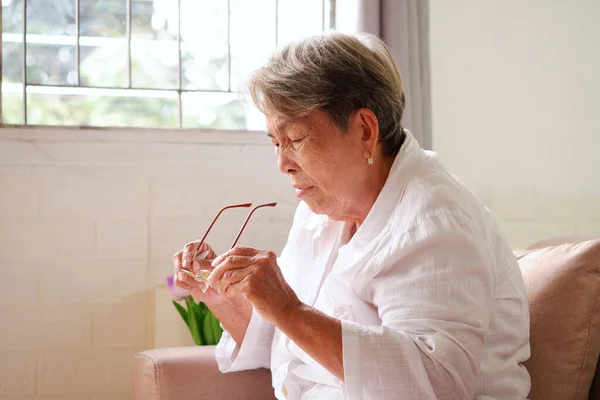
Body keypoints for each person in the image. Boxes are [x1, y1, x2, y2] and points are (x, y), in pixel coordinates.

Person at [173, 31, 530, 399]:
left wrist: (286, 307)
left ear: (363, 130)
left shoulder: (435, 224)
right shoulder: (321, 212)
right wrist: (224, 298)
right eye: (275, 143)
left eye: (295, 139)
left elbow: (435, 387)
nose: (282, 164)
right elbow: (291, 348)